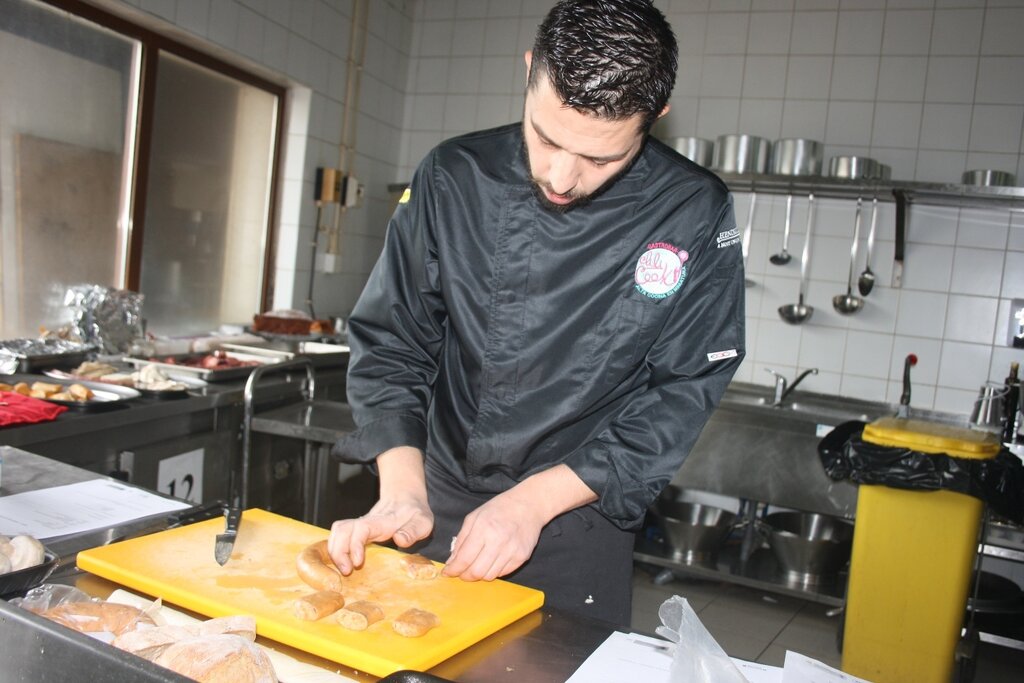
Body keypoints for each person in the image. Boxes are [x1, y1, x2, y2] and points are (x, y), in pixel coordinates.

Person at [329, 0, 745, 627]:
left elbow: (683, 389)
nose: (561, 176)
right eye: (545, 136)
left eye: (601, 159)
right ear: (529, 71)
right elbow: (392, 340)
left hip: (577, 513)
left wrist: (534, 501)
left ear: (655, 116)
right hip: (429, 496)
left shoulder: (692, 209)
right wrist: (402, 486)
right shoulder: (453, 177)